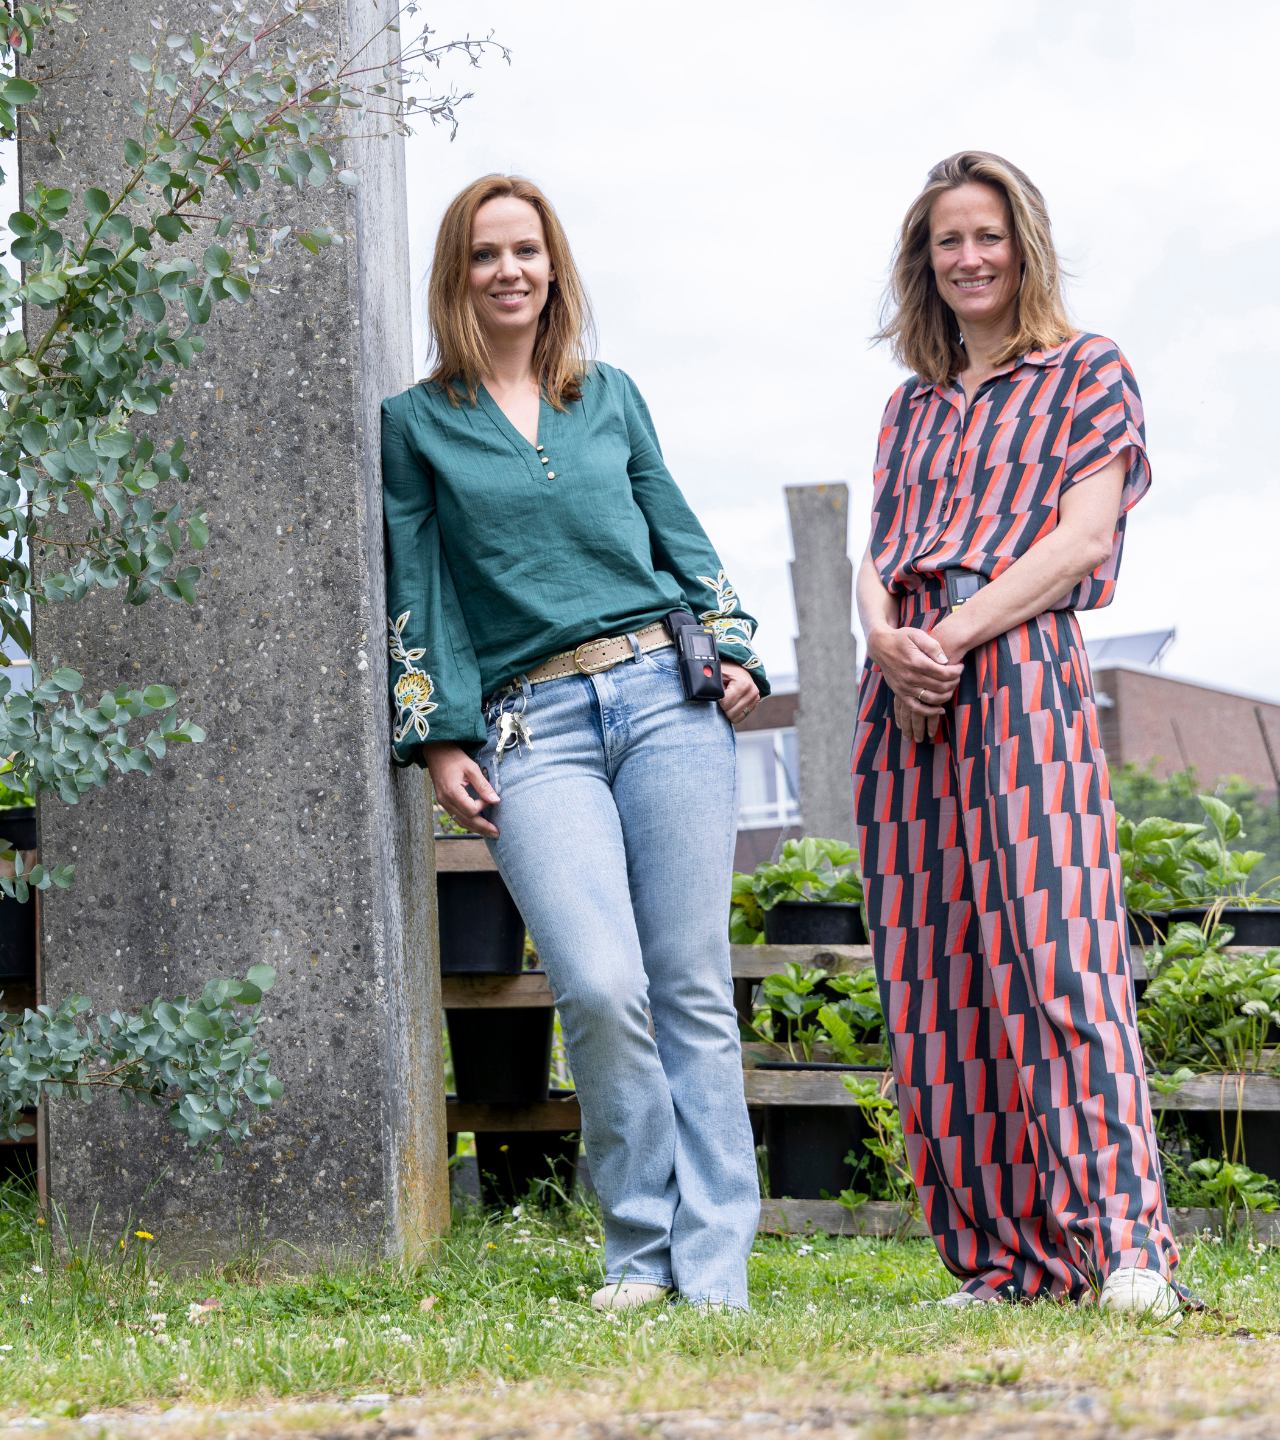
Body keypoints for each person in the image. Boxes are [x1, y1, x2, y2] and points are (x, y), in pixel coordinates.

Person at [381, 174, 766, 1310]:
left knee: (689, 983)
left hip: (665, 701)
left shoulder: (610, 396)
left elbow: (677, 531)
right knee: (599, 985)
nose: (508, 271)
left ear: (554, 267)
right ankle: (639, 1247)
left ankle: (714, 1266)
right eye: (484, 253)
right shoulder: (415, 424)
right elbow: (418, 589)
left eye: (526, 250)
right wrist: (436, 736)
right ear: (456, 276)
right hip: (529, 724)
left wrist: (733, 643)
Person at [852, 151, 1183, 1317]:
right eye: (946, 240)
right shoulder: (909, 404)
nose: (968, 258)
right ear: (923, 260)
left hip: (1016, 668)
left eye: (985, 235)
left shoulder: (1087, 370)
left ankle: (1127, 1248)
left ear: (1022, 243)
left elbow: (1081, 540)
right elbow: (877, 553)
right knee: (933, 978)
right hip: (904, 690)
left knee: (1057, 958)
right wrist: (887, 641)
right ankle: (1007, 1262)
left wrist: (943, 639)